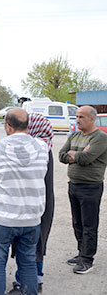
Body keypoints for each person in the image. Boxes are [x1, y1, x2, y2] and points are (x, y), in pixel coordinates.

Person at [0, 108, 48, 295]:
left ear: (8, 126)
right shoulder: (42, 147)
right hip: (32, 217)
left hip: (1, 218)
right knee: (28, 262)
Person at [9, 113, 54, 294]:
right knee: (38, 243)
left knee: (27, 245)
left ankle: (23, 283)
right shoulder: (46, 149)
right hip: (44, 204)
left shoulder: (32, 150)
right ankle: (38, 278)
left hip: (28, 205)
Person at [59, 106, 107, 274]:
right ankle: (81, 253)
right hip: (73, 185)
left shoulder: (100, 138)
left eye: (82, 117)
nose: (77, 120)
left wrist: (74, 155)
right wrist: (75, 154)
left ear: (92, 119)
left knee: (89, 224)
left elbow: (86, 159)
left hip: (90, 187)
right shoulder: (75, 135)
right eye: (77, 116)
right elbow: (61, 155)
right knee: (77, 223)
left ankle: (87, 259)